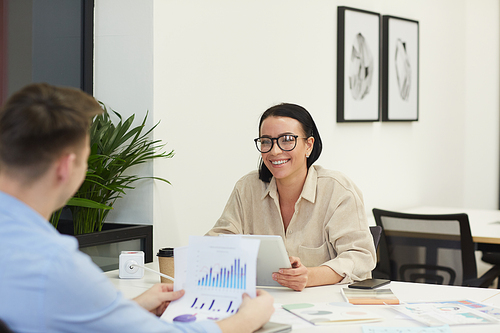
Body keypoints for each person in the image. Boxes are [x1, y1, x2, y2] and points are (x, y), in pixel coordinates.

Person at [0, 83, 274, 333]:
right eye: (85, 160)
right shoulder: (52, 264)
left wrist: (130, 308)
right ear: (64, 167)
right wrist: (248, 319)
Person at [207, 103, 376, 291]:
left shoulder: (337, 190)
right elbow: (217, 243)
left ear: (308, 146)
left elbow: (361, 257)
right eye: (266, 141)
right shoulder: (247, 188)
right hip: (264, 302)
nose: (275, 151)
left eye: (287, 139)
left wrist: (309, 276)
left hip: (326, 306)